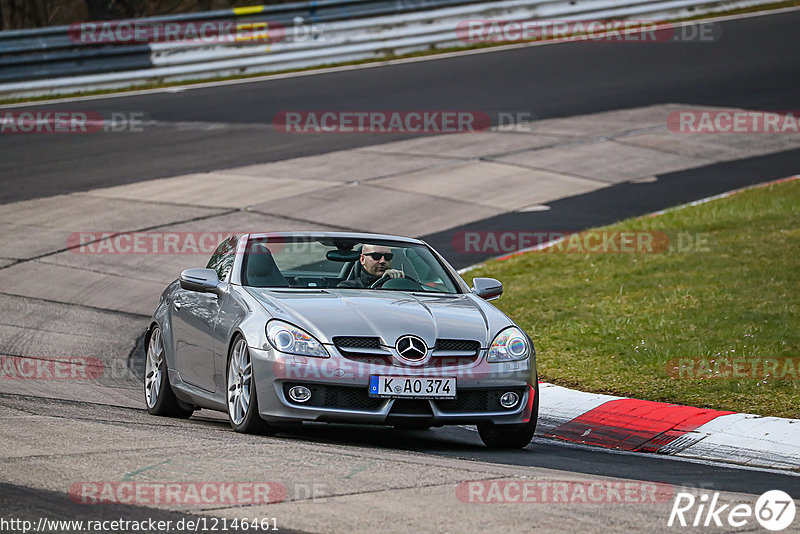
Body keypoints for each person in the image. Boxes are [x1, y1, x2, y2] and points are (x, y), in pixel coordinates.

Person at [337, 244, 404, 288]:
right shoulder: (347, 287)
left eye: (388, 257)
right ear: (362, 259)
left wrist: (397, 282)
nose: (383, 261)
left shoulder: (399, 284)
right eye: (376, 256)